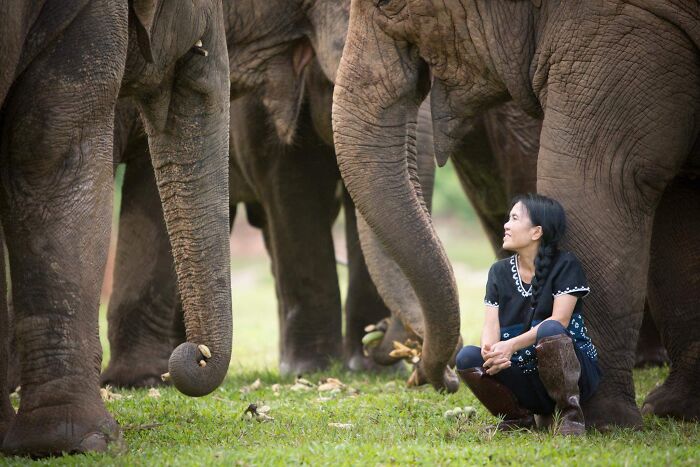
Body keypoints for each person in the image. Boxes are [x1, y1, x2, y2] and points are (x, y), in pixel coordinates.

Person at [455, 193, 601, 436]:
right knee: (467, 357)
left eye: (514, 218)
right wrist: (491, 352)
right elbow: (491, 325)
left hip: (575, 375)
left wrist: (510, 345)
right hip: (524, 376)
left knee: (550, 329)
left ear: (536, 232)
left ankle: (570, 417)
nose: (506, 225)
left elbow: (560, 321)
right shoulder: (498, 272)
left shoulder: (566, 264)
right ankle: (518, 418)